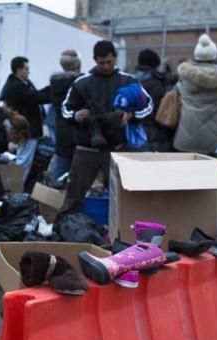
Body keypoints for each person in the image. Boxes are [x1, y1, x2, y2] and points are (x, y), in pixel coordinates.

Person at [59, 40, 153, 217]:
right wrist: (76, 115)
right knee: (73, 197)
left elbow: (148, 105)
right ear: (94, 60)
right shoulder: (82, 82)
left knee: (124, 197)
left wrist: (131, 116)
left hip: (118, 149)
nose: (106, 66)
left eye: (109, 61)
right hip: (87, 149)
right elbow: (65, 109)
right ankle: (64, 232)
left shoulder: (129, 80)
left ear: (115, 58)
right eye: (101, 63)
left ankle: (124, 232)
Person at [173, 35, 217, 154]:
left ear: (195, 56)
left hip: (184, 139)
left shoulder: (184, 77)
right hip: (214, 142)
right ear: (215, 57)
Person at [133, 48, 177, 152]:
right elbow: (164, 115)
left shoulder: (128, 80)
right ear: (155, 65)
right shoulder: (160, 84)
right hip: (156, 139)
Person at [48, 49, 82, 180]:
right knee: (79, 172)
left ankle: (57, 198)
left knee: (61, 168)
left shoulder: (54, 83)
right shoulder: (81, 82)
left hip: (61, 129)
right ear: (78, 65)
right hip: (78, 130)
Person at [0, 56, 50, 139]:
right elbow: (35, 98)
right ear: (18, 70)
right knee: (26, 151)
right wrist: (55, 92)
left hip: (26, 127)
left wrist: (51, 88)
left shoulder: (23, 82)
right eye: (26, 69)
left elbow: (35, 94)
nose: (28, 72)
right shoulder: (17, 86)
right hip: (26, 128)